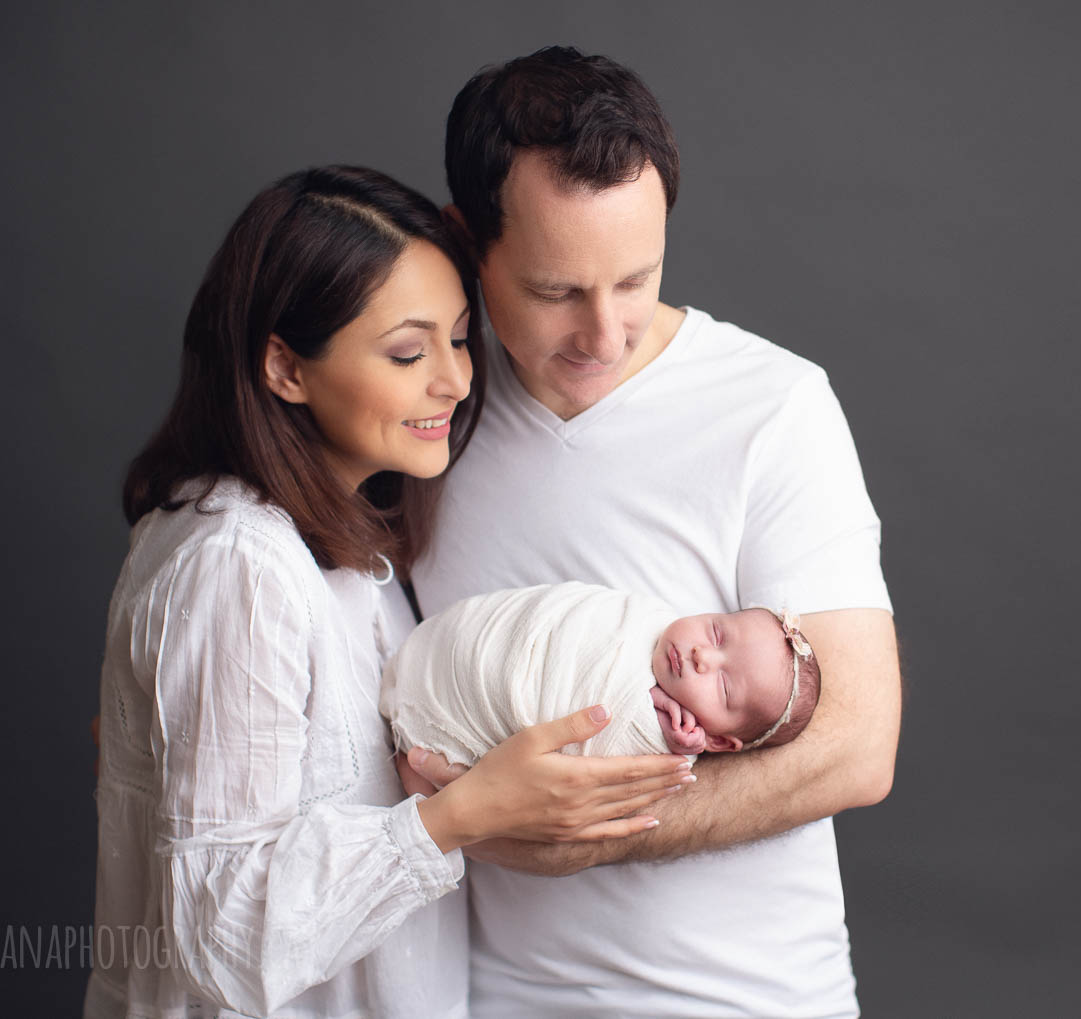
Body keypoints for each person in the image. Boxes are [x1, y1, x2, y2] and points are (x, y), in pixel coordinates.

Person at [84, 165, 692, 1018]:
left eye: (456, 337)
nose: (456, 379)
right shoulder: (238, 564)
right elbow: (220, 935)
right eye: (408, 352)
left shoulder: (340, 544)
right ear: (285, 369)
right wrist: (459, 817)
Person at [399, 47, 902, 1017]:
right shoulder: (423, 414)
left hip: (751, 1000)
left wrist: (572, 829)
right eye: (556, 291)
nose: (604, 333)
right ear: (468, 241)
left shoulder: (774, 409)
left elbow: (856, 743)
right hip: (493, 998)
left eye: (635, 279)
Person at [380, 580, 821, 763]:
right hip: (466, 640)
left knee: (419, 776)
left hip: (475, 704)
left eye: (723, 686)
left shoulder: (667, 739)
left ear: (719, 739)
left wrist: (669, 739)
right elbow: (562, 615)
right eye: (717, 633)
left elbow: (605, 741)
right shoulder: (645, 614)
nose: (704, 657)